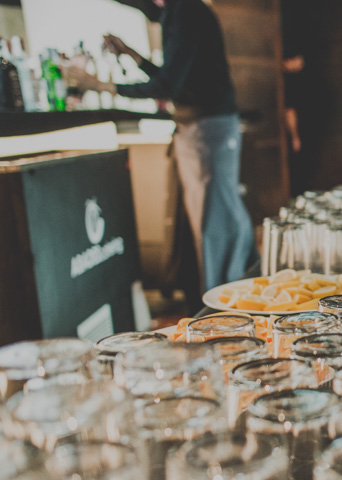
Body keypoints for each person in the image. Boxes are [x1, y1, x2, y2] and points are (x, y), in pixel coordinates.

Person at [66, 0, 258, 294]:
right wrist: (132, 56)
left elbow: (170, 85)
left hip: (207, 127)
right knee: (220, 217)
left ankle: (230, 308)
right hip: (205, 126)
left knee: (217, 223)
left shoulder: (186, 11)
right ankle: (235, 300)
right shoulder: (181, 10)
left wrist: (104, 86)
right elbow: (175, 77)